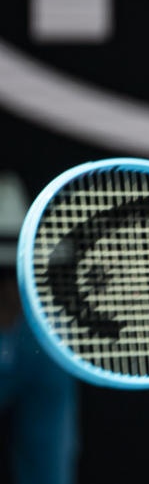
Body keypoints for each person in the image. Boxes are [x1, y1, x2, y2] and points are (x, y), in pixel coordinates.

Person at [0, 171, 79, 484]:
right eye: (4, 275)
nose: (14, 291)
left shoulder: (46, 339)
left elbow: (48, 462)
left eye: (19, 274)